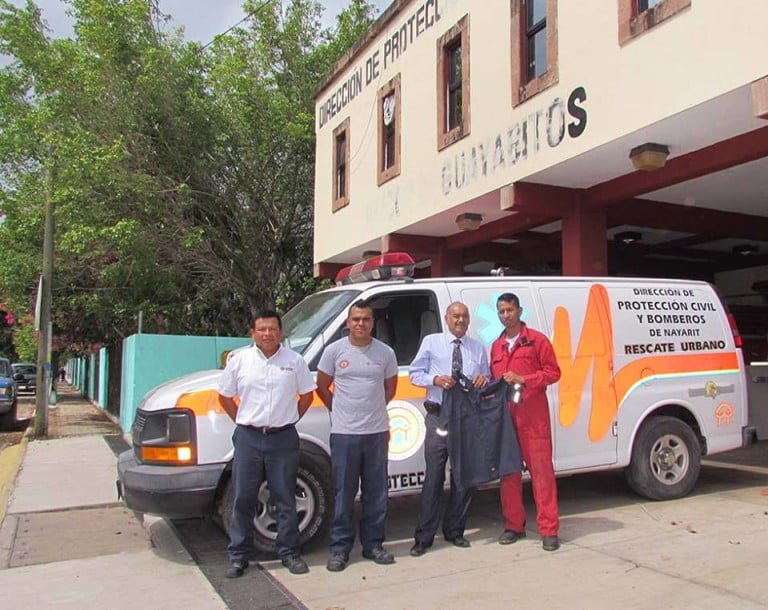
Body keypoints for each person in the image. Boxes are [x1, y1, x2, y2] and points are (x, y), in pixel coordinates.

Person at [217, 310, 316, 578]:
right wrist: (242, 420)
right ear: (253, 333)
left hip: (283, 438)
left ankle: (290, 553)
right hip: (248, 437)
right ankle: (239, 556)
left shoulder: (295, 361)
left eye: (273, 329)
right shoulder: (239, 361)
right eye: (262, 329)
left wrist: (290, 417)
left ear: (281, 332)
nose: (268, 334)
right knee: (243, 498)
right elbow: (225, 396)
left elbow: (307, 395)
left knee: (284, 497)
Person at [316, 300, 399, 572]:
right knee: (344, 494)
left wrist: (371, 411)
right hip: (344, 434)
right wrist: (339, 410)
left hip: (376, 433)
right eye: (356, 319)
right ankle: (340, 550)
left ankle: (373, 544)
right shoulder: (334, 351)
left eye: (366, 319)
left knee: (376, 493)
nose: (360, 324)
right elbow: (322, 386)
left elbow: (391, 390)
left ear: (373, 323)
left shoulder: (385, 353)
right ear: (348, 322)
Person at [407, 301, 489, 557]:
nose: (460, 320)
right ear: (446, 318)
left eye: (464, 316)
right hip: (438, 417)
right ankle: (424, 537)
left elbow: (486, 379)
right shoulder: (432, 342)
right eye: (455, 316)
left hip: (466, 420)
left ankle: (455, 530)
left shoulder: (477, 347)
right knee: (433, 478)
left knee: (462, 478)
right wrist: (434, 379)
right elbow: (414, 373)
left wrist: (483, 380)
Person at [490, 293, 562, 551]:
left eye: (509, 310)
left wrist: (524, 378)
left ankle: (549, 530)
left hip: (533, 417)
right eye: (501, 311)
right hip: (506, 419)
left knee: (542, 474)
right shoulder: (497, 346)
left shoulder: (536, 341)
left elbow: (554, 373)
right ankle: (513, 526)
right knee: (509, 474)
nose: (506, 315)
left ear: (519, 311)